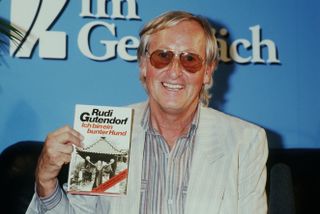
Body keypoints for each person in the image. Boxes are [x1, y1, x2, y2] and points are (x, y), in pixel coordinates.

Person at [26, 10, 268, 214]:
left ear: (207, 72)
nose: (174, 72)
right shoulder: (107, 132)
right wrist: (46, 183)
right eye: (162, 56)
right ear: (143, 65)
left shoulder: (245, 142)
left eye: (190, 60)